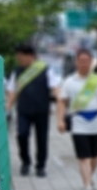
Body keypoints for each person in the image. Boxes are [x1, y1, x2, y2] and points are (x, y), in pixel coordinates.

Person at [57, 48, 97, 190]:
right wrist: (60, 120)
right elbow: (62, 102)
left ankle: (88, 178)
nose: (84, 63)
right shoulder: (69, 81)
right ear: (76, 62)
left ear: (91, 62)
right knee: (84, 157)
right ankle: (87, 187)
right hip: (79, 123)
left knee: (95, 157)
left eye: (87, 61)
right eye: (81, 60)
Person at [6, 44, 61, 177]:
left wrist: (61, 103)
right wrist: (8, 107)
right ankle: (25, 161)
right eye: (18, 58)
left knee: (42, 139)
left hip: (42, 110)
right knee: (22, 134)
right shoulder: (17, 72)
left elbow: (55, 87)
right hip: (23, 111)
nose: (20, 60)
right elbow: (13, 91)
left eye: (21, 57)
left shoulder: (45, 70)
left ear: (30, 56)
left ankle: (40, 166)